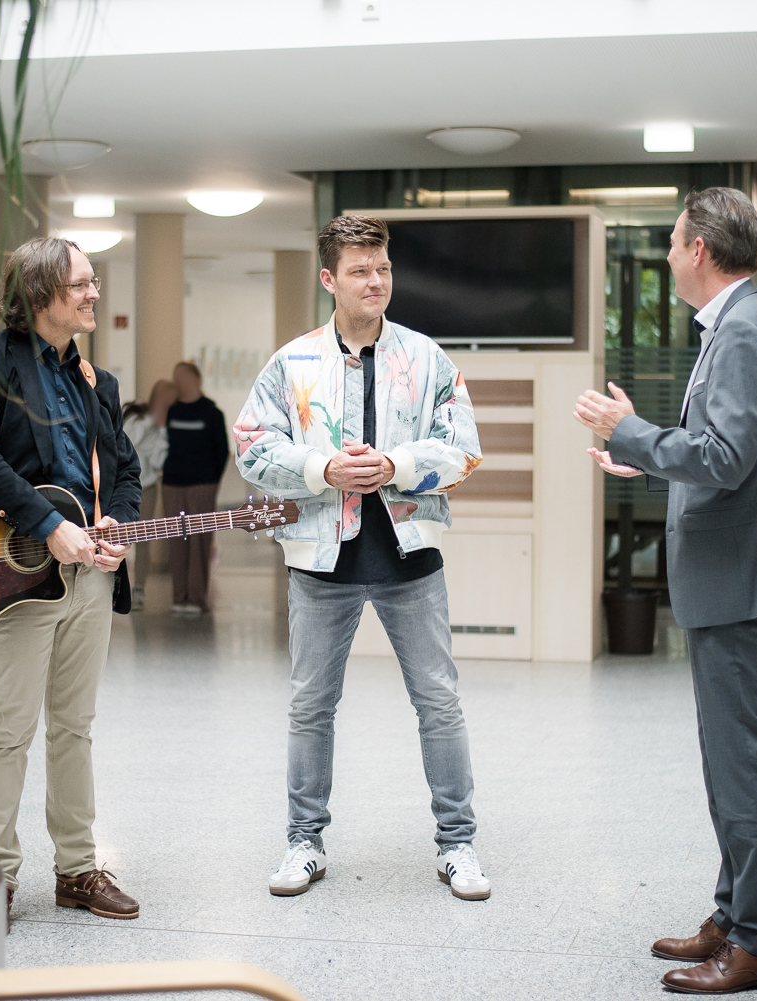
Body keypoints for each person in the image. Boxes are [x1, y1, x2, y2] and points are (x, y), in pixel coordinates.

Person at [575, 187, 757, 994]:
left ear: (701, 250)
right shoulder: (743, 322)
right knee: (729, 760)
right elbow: (719, 450)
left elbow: (725, 457)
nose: (669, 255)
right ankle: (734, 912)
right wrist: (643, 454)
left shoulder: (745, 329)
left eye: (674, 242)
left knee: (741, 762)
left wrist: (630, 431)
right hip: (735, 574)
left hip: (740, 579)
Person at [234, 215, 490, 902]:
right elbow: (252, 446)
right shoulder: (291, 363)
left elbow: (464, 447)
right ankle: (304, 841)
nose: (375, 281)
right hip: (321, 561)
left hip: (411, 557)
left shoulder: (428, 358)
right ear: (329, 278)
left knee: (439, 702)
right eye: (359, 271)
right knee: (310, 706)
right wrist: (321, 468)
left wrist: (395, 465)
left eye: (383, 269)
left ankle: (458, 844)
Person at [0, 236, 141, 923]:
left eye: (93, 282)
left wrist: (119, 521)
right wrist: (47, 523)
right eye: (82, 284)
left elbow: (125, 469)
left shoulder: (98, 381)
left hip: (91, 578)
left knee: (74, 726)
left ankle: (77, 869)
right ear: (41, 295)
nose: (95, 293)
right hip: (18, 574)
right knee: (10, 728)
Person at [162, 362, 228, 614]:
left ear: (197, 380)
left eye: (184, 377)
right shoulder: (172, 411)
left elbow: (221, 451)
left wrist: (211, 481)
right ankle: (179, 596)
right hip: (173, 483)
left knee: (200, 540)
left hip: (202, 483)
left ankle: (197, 597)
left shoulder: (211, 413)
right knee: (176, 539)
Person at [122, 379, 176, 609]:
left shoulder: (164, 428)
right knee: (118, 536)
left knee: (142, 538)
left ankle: (139, 589)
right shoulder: (136, 415)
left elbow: (157, 462)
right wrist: (151, 420)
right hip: (124, 485)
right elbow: (128, 441)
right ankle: (116, 585)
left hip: (148, 486)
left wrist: (162, 429)